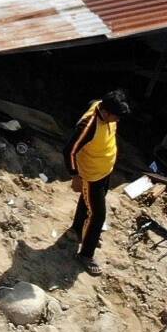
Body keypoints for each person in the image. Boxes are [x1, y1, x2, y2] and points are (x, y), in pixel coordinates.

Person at [62, 89, 132, 276]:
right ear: (106, 113)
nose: (117, 121)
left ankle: (77, 230)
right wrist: (75, 175)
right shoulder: (89, 126)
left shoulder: (103, 106)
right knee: (98, 215)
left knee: (88, 204)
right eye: (115, 117)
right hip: (91, 176)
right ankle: (86, 254)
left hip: (104, 171)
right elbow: (69, 151)